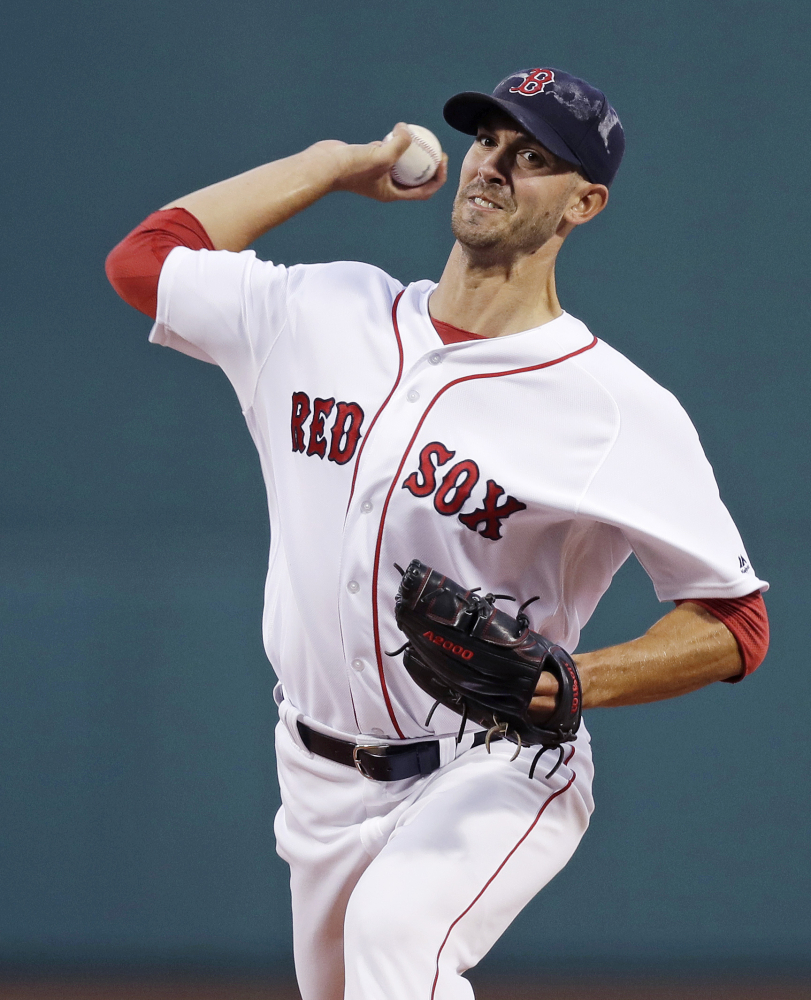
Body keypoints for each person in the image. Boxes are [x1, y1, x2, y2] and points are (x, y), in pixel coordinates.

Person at [106, 67, 769, 1000]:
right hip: (316, 773)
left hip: (494, 759)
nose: (494, 166)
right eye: (488, 141)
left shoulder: (614, 407)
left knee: (396, 943)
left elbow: (734, 623)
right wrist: (329, 165)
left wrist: (570, 682)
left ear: (584, 203)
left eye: (533, 157)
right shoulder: (318, 312)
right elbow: (144, 260)